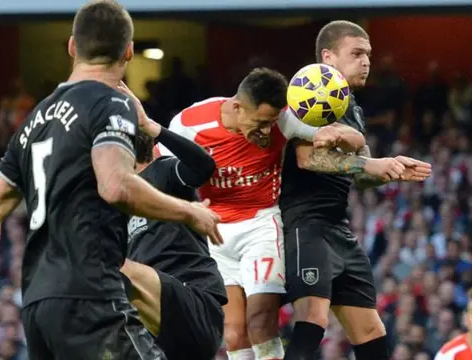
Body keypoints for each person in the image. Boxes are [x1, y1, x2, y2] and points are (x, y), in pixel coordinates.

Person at [0, 1, 221, 359]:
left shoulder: (33, 122)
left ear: (72, 46)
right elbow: (116, 185)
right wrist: (189, 212)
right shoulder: (109, 103)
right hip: (91, 299)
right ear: (129, 52)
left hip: (39, 307)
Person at [157, 67, 366, 360]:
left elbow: (356, 139)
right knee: (232, 331)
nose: (268, 130)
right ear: (237, 107)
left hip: (261, 226)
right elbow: (160, 171)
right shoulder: (190, 123)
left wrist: (337, 134)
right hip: (214, 232)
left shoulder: (284, 118)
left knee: (260, 319)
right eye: (261, 122)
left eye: (271, 123)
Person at [279, 20, 432, 360]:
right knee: (312, 321)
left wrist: (388, 169)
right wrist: (369, 165)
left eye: (369, 55)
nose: (366, 61)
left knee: (371, 332)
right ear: (328, 56)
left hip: (337, 227)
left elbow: (361, 176)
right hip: (304, 224)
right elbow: (307, 158)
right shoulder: (310, 93)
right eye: (357, 53)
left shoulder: (352, 108)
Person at [118, 88, 226, 360]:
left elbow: (203, 167)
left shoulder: (163, 173)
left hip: (194, 302)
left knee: (105, 265)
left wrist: (154, 129)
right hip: (158, 324)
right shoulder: (118, 204)